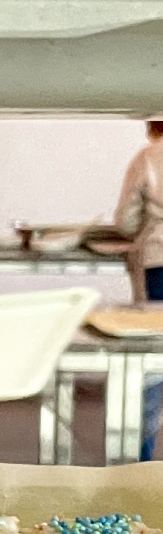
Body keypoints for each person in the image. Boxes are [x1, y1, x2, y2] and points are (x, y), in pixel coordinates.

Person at [115, 120, 163, 459]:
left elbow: (127, 220)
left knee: (152, 359)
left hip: (159, 260)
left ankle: (141, 457)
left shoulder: (149, 157)